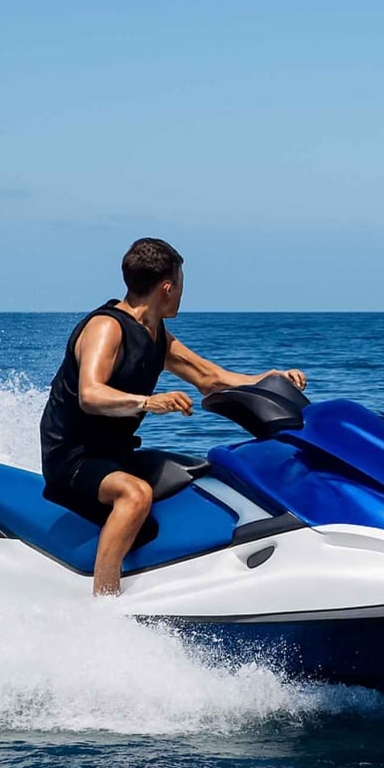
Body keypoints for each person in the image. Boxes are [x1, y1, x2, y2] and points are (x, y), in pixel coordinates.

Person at [39, 238, 306, 596]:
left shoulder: (156, 334)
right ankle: (104, 601)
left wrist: (269, 378)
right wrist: (148, 402)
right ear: (167, 287)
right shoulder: (107, 327)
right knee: (135, 495)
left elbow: (209, 378)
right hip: (72, 458)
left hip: (116, 454)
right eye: (181, 284)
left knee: (206, 475)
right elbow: (91, 394)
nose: (182, 293)